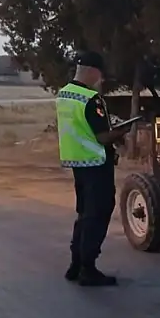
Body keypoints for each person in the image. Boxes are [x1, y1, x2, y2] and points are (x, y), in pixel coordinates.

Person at [57, 51, 132, 287]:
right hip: (96, 163)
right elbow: (102, 136)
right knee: (97, 215)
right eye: (99, 74)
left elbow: (81, 129)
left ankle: (76, 264)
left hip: (77, 161)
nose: (100, 79)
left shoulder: (64, 94)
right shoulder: (91, 98)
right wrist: (122, 131)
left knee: (84, 214)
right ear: (92, 71)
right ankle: (88, 269)